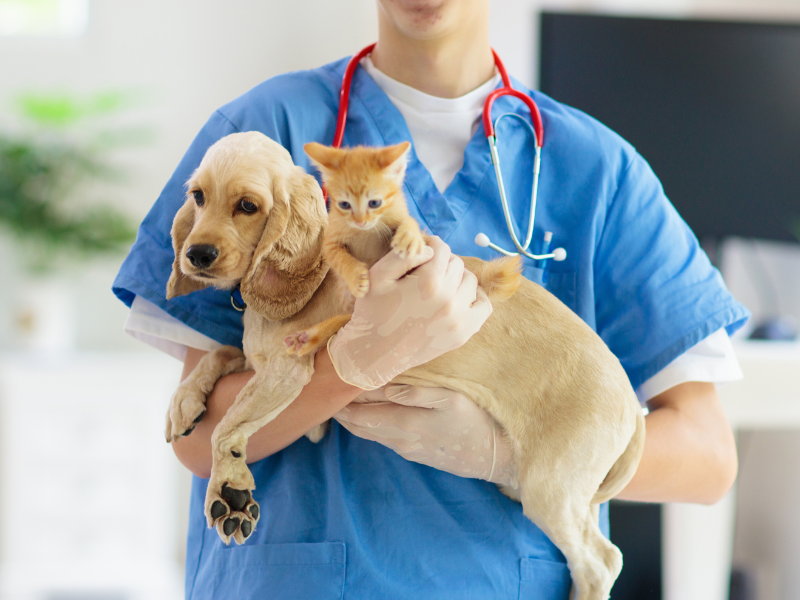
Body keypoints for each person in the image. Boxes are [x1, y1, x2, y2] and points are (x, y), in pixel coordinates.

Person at [113, 1, 749, 598]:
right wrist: (349, 369)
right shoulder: (262, 136)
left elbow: (707, 457)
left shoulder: (597, 170)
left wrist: (518, 455)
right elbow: (198, 443)